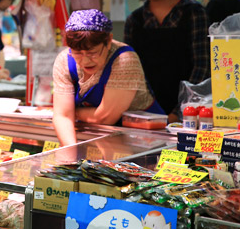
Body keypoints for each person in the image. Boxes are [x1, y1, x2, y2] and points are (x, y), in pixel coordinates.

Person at [124, 0, 210, 122]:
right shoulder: (135, 20)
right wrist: (146, 110)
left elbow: (202, 66)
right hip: (146, 111)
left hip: (188, 113)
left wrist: (180, 112)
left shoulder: (193, 12)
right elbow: (129, 71)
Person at [52, 9, 162, 147]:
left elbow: (105, 117)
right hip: (98, 138)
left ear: (108, 41)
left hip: (143, 140)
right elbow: (62, 117)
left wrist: (72, 112)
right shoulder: (64, 60)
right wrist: (70, 153)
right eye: (78, 53)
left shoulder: (125, 60)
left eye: (93, 53)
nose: (85, 61)